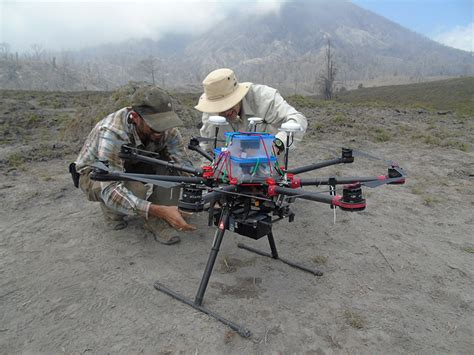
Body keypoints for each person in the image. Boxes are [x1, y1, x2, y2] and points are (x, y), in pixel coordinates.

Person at [74, 86, 195, 245]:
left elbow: (183, 165)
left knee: (175, 171)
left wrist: (197, 191)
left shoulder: (168, 130)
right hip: (95, 174)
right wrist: (155, 208)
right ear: (135, 117)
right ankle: (114, 213)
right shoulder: (112, 133)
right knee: (136, 190)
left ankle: (155, 219)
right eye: (155, 126)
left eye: (164, 124)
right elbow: (110, 188)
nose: (161, 131)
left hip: (134, 163)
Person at [195, 68, 308, 155]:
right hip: (226, 176)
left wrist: (277, 143)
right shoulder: (210, 110)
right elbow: (206, 144)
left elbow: (298, 119)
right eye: (219, 108)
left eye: (228, 104)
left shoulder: (264, 98)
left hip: (267, 172)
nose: (225, 112)